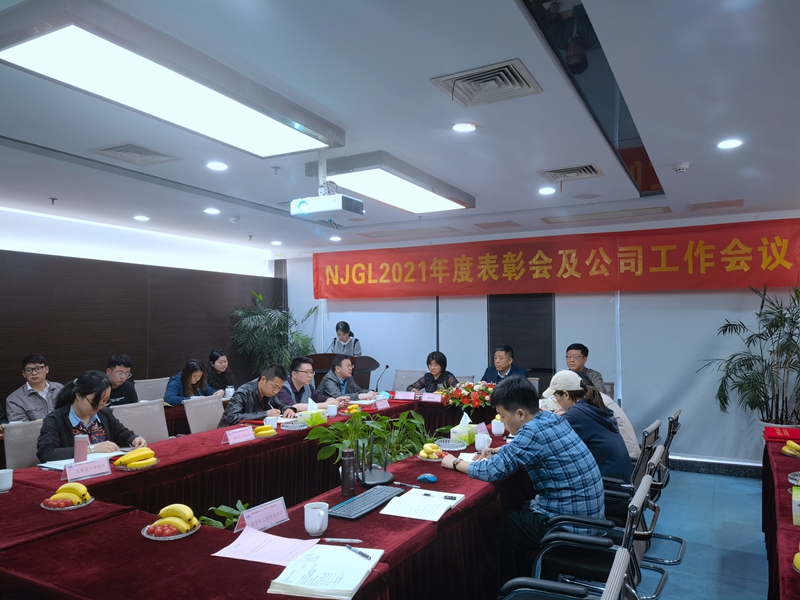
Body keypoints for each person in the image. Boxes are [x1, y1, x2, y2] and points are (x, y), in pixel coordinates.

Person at [441, 376, 604, 582]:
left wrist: (454, 462)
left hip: (570, 529)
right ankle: (526, 574)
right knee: (515, 503)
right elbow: (530, 446)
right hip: (588, 519)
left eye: (502, 416)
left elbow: (491, 471)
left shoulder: (532, 432)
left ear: (520, 413)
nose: (502, 421)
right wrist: (500, 450)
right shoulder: (550, 418)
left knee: (497, 522)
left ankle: (511, 587)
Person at [36, 371, 146, 462]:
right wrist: (91, 449)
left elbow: (122, 434)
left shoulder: (104, 414)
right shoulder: (55, 419)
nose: (99, 406)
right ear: (78, 395)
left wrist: (134, 439)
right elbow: (46, 453)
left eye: (105, 401)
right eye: (95, 402)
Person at [543, 370, 632, 482]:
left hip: (609, 483)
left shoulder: (577, 415)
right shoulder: (590, 407)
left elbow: (548, 440)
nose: (556, 401)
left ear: (566, 394)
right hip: (622, 478)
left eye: (555, 396)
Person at [220, 364, 295, 426]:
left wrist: (288, 409)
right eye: (274, 386)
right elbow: (233, 418)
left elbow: (280, 406)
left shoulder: (270, 393)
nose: (276, 391)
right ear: (263, 379)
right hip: (230, 433)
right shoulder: (243, 393)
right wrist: (265, 414)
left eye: (279, 388)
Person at [6, 354, 64, 422]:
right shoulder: (14, 400)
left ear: (47, 369)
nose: (34, 373)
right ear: (23, 373)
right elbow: (20, 426)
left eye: (38, 368)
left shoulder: (60, 389)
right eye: (28, 370)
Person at [276, 357, 346, 412]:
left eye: (311, 372)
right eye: (306, 372)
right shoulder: (282, 388)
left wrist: (334, 401)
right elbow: (292, 407)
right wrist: (325, 405)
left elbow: (322, 398)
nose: (310, 376)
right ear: (294, 374)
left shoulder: (308, 387)